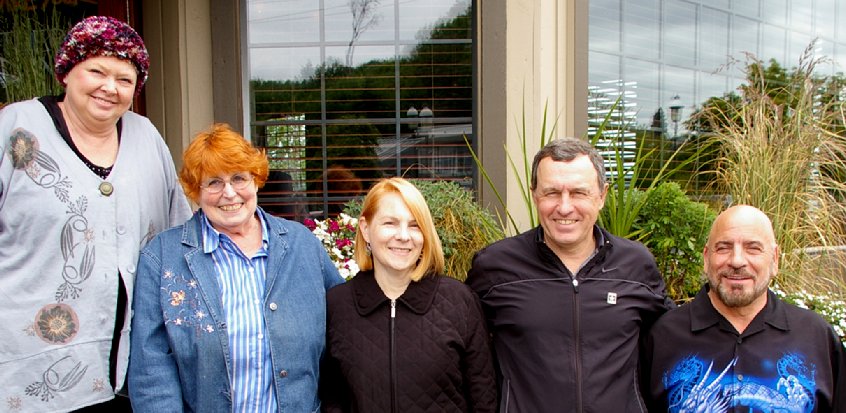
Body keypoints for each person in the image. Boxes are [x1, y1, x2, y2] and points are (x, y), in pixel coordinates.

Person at [0, 16, 191, 412]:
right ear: (68, 71)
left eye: (125, 79)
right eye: (97, 71)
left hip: (129, 369)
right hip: (25, 365)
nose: (110, 88)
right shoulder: (15, 128)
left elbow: (177, 233)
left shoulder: (145, 136)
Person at [127, 123, 344, 411]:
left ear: (256, 180)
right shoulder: (164, 256)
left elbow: (344, 330)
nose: (229, 193)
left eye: (239, 178)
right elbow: (151, 366)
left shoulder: (301, 245)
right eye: (213, 182)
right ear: (195, 190)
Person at [466, 137, 673, 412]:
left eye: (578, 193)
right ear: (535, 195)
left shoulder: (635, 264)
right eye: (552, 193)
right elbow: (462, 345)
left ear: (602, 196)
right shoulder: (495, 266)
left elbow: (675, 338)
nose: (564, 207)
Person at [642, 205, 846, 412]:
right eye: (723, 247)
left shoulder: (816, 337)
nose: (737, 261)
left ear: (775, 259)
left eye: (753, 248)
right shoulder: (662, 337)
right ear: (706, 258)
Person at [320, 177, 497, 412]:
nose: (403, 236)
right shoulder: (337, 305)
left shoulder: (459, 301)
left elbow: (484, 398)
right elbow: (332, 399)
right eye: (390, 223)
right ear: (365, 228)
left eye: (414, 225)